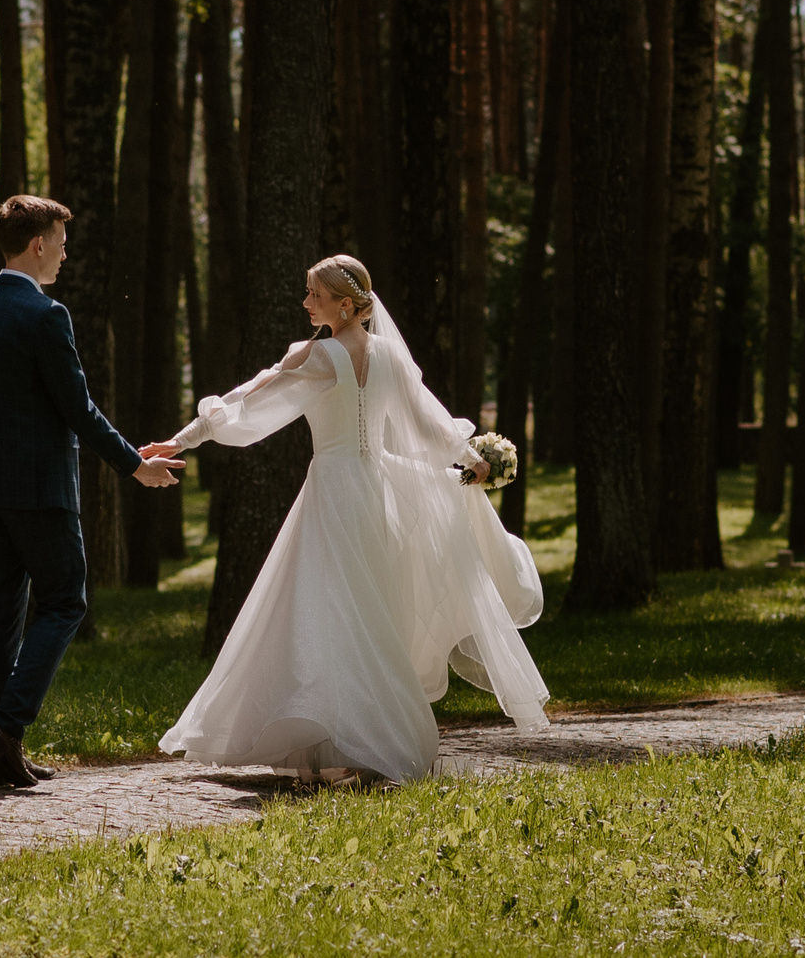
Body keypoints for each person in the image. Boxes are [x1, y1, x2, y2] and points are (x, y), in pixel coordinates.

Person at [149, 255, 548, 784]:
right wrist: (467, 454)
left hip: (334, 495)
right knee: (368, 613)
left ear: (343, 303)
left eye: (313, 294)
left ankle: (340, 744)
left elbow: (250, 398)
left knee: (331, 614)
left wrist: (183, 439)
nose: (305, 302)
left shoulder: (314, 356)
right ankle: (356, 742)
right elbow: (427, 416)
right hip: (377, 493)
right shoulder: (387, 355)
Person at [0, 195, 185, 790]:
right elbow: (77, 409)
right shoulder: (46, 315)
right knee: (65, 603)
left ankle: (1, 752)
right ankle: (5, 726)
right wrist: (135, 464)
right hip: (40, 490)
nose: (63, 251)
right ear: (36, 245)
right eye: (59, 240)